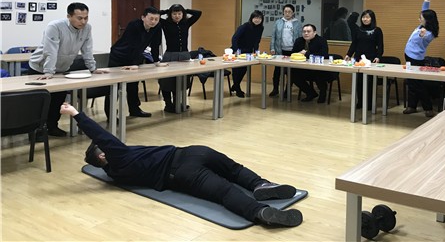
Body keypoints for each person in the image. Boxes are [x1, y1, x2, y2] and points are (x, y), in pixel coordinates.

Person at [60, 103, 303, 227]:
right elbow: (101, 135)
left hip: (182, 171)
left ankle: (259, 211)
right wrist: (76, 114)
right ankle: (260, 185)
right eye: (104, 149)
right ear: (103, 157)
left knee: (224, 191)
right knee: (234, 170)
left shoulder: (117, 171)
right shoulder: (119, 158)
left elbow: (104, 142)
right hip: (190, 153)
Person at [28, 2, 108, 137]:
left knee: (57, 100)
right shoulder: (55, 26)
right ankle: (35, 132)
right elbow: (50, 51)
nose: (83, 22)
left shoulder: (87, 28)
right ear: (69, 16)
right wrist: (48, 72)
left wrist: (93, 68)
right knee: (40, 102)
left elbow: (87, 49)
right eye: (79, 18)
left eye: (86, 18)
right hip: (40, 69)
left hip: (61, 70)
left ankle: (52, 127)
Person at [104, 7, 162, 119]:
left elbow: (155, 44)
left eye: (156, 19)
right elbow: (133, 45)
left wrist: (156, 61)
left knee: (133, 85)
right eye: (151, 18)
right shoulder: (134, 25)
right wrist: (134, 64)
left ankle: (134, 109)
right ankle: (111, 114)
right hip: (119, 56)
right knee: (115, 86)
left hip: (135, 57)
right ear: (143, 17)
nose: (153, 22)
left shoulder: (157, 27)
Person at [158, 4, 202, 112]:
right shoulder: (165, 23)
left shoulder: (186, 23)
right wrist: (167, 10)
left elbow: (198, 13)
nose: (177, 16)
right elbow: (156, 14)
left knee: (182, 81)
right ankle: (168, 104)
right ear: (170, 14)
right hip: (170, 55)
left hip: (184, 55)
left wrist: (185, 10)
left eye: (179, 13)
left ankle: (178, 103)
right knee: (167, 81)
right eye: (174, 14)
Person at [403, 0, 439, 118]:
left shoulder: (429, 33)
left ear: (427, 20)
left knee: (418, 84)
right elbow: (425, 9)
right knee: (411, 82)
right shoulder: (422, 26)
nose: (419, 19)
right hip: (408, 55)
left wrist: (421, 35)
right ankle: (411, 106)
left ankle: (428, 108)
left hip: (416, 59)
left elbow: (422, 39)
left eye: (421, 18)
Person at [345, 9, 384, 109]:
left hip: (371, 59)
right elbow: (354, 44)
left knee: (370, 82)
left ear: (372, 19)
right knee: (359, 81)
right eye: (363, 17)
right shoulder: (358, 30)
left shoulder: (377, 30)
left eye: (367, 17)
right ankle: (360, 102)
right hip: (358, 59)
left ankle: (369, 104)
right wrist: (349, 54)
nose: (365, 19)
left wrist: (378, 56)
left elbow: (380, 46)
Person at [269, 4, 302, 97]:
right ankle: (275, 89)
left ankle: (287, 91)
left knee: (290, 72)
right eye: (285, 12)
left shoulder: (297, 23)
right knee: (277, 71)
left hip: (292, 51)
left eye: (289, 12)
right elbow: (273, 36)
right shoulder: (278, 22)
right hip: (280, 50)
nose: (287, 13)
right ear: (283, 12)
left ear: (293, 13)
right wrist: (272, 47)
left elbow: (300, 37)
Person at [291, 24, 330, 103]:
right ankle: (310, 93)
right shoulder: (299, 40)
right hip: (304, 67)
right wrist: (299, 53)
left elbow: (324, 55)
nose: (306, 33)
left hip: (319, 68)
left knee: (319, 74)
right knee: (293, 74)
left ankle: (322, 94)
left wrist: (307, 54)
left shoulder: (321, 41)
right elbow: (293, 53)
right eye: (304, 31)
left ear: (314, 32)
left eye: (308, 31)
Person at [231, 10, 264, 98]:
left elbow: (257, 41)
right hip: (238, 50)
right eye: (255, 17)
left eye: (259, 18)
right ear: (251, 18)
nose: (257, 20)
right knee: (237, 70)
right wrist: (236, 51)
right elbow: (234, 38)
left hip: (248, 51)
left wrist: (256, 51)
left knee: (243, 70)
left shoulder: (261, 28)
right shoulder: (245, 26)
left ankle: (235, 86)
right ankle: (237, 89)